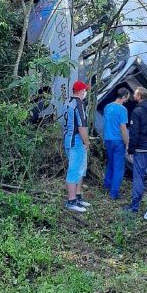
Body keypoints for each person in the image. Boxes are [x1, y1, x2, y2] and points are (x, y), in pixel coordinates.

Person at [63, 80, 91, 212]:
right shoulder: (78, 104)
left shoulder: (68, 101)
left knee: (80, 169)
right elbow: (81, 126)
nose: (86, 92)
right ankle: (71, 200)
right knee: (74, 170)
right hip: (76, 141)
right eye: (85, 90)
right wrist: (87, 142)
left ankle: (78, 196)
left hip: (68, 139)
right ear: (80, 91)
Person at [102, 87, 130, 200]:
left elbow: (106, 124)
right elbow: (123, 128)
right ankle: (114, 194)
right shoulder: (122, 110)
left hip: (108, 139)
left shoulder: (107, 107)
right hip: (118, 141)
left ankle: (106, 186)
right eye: (127, 96)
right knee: (119, 167)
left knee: (111, 164)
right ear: (123, 97)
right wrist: (127, 143)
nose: (128, 98)